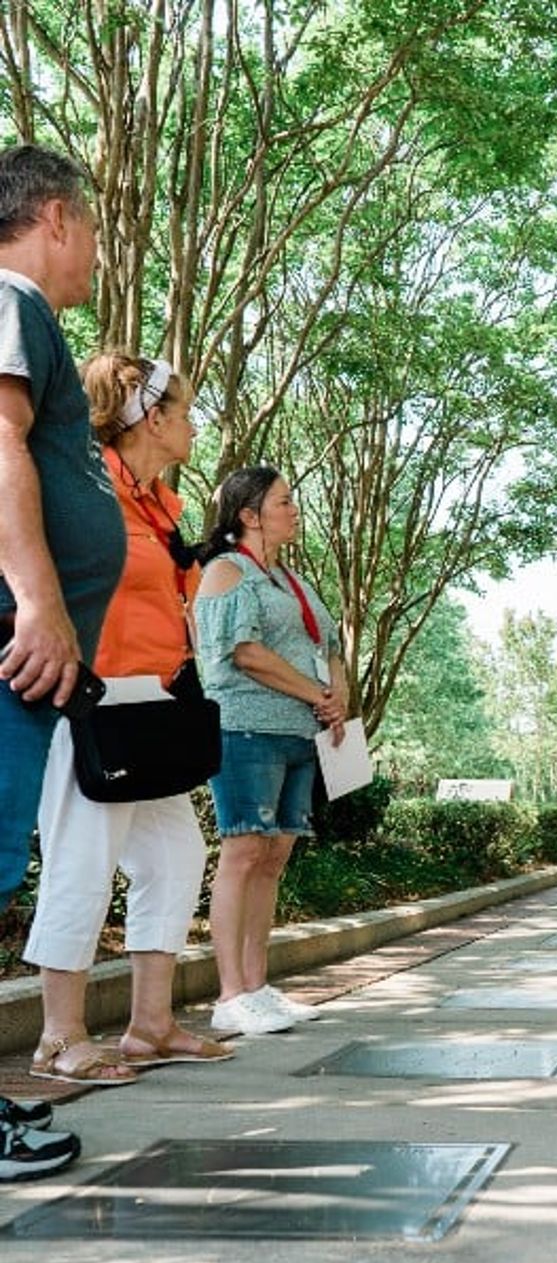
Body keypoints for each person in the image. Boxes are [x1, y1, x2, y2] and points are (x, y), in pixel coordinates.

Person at [25, 354, 232, 1083]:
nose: (195, 423)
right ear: (153, 416)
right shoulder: (85, 493)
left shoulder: (156, 505)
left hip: (148, 704)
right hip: (86, 703)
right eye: (185, 409)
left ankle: (150, 1025)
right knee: (82, 864)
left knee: (177, 856)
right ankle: (59, 1037)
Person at [0, 143, 125, 1178]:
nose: (93, 248)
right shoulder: (9, 297)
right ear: (50, 216)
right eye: (87, 225)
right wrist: (40, 599)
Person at [193, 465, 347, 1035]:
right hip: (245, 729)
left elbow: (327, 643)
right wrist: (317, 693)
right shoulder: (227, 573)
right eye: (284, 501)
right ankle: (230, 994)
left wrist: (338, 697)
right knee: (243, 853)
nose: (294, 509)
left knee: (274, 858)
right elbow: (244, 652)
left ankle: (258, 986)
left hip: (298, 734)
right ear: (249, 515)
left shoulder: (292, 579)